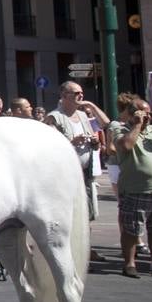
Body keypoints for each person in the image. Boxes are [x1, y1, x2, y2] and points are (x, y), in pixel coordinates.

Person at [107, 93, 152, 279]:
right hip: (135, 188)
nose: (149, 117)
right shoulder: (121, 129)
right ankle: (129, 264)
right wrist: (136, 125)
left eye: (150, 114)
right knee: (131, 230)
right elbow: (125, 146)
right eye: (144, 114)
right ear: (133, 113)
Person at [46, 81, 110, 222]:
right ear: (64, 95)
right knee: (71, 215)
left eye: (82, 93)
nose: (80, 95)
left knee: (88, 214)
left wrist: (91, 106)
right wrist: (72, 142)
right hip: (66, 174)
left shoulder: (83, 115)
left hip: (85, 173)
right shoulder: (54, 117)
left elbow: (105, 123)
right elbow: (50, 148)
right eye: (76, 93)